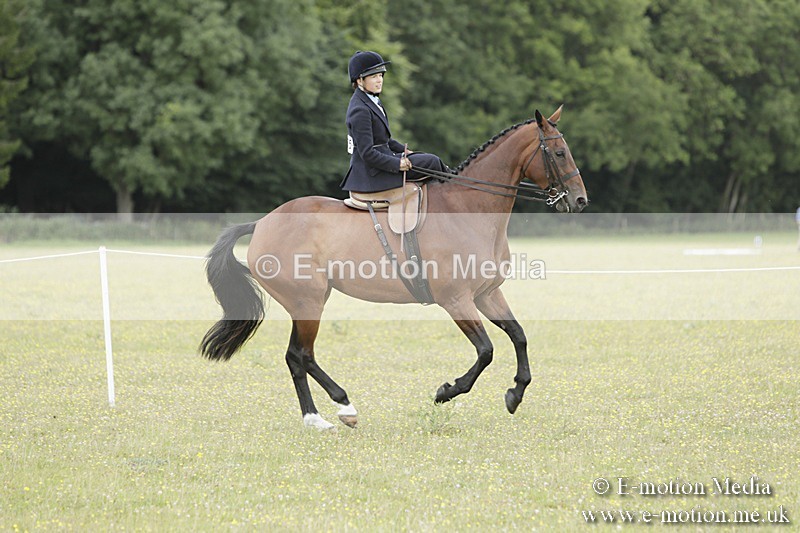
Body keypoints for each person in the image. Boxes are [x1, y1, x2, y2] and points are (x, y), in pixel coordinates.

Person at [340, 51, 449, 194]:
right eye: (374, 76)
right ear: (360, 81)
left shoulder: (372, 100)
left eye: (380, 75)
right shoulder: (359, 110)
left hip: (383, 160)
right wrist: (398, 164)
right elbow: (367, 153)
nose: (380, 80)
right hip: (372, 173)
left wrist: (405, 151)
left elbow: (384, 140)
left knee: (426, 158)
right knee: (431, 162)